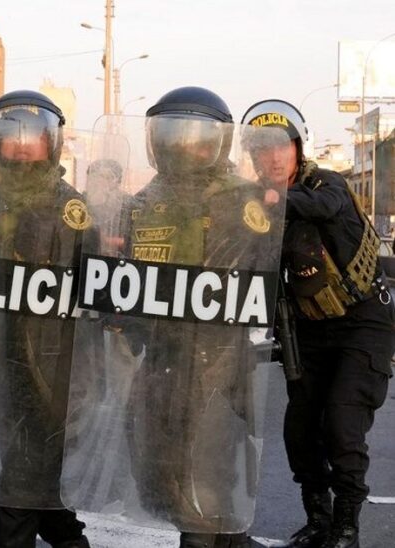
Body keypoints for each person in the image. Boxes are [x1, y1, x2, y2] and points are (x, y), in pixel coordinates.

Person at [102, 87, 277, 548]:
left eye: (197, 139)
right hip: (159, 355)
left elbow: (259, 271)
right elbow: (132, 276)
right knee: (157, 466)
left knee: (203, 471)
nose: (184, 148)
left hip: (216, 357)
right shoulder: (143, 202)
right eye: (173, 136)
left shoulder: (240, 200)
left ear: (218, 142)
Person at [241, 99, 394, 548]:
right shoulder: (253, 206)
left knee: (343, 424)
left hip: (361, 322)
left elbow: (324, 206)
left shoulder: (327, 184)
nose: (273, 157)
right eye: (262, 149)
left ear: (297, 149)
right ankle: (319, 521)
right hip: (308, 329)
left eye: (281, 147)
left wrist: (274, 199)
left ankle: (346, 527)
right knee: (301, 430)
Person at [0, 91, 92, 548]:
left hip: (57, 364)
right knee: (28, 469)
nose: (20, 146)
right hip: (4, 358)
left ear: (51, 142)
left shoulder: (71, 208)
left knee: (24, 472)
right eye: (9, 135)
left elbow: (99, 293)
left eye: (32, 136)